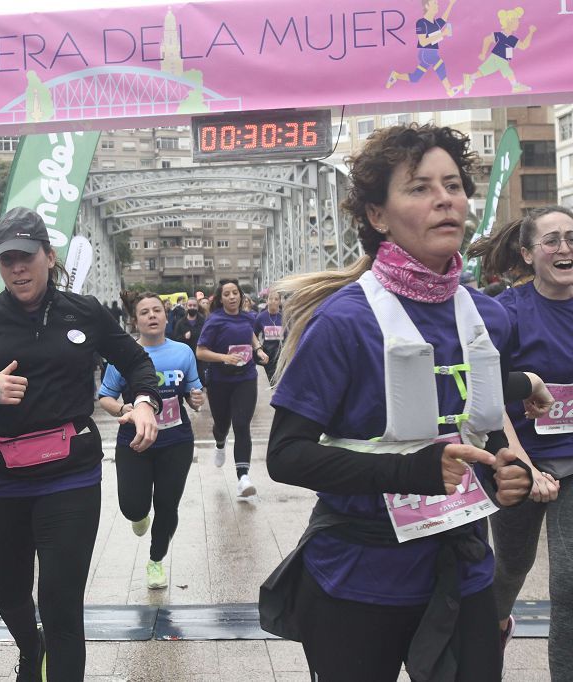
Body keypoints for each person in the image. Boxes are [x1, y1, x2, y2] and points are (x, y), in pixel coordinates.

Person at [260, 123, 534, 681]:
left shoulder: (490, 315)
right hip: (361, 574)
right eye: (419, 188)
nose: (444, 199)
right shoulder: (345, 322)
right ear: (378, 216)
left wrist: (509, 471)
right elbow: (285, 455)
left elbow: (482, 425)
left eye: (453, 185)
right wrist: (412, 469)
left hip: (463, 566)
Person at [0, 206, 160, 682]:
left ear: (49, 257)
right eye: (7, 260)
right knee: (12, 597)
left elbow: (137, 362)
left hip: (69, 477)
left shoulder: (85, 312)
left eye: (26, 257)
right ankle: (28, 646)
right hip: (0, 480)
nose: (17, 268)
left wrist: (143, 403)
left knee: (60, 602)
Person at [468, 206, 572, 676]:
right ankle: (494, 625)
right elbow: (488, 396)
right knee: (510, 568)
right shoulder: (506, 311)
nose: (565, 249)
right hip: (516, 457)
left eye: (571, 238)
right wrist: (525, 467)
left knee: (569, 582)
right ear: (528, 254)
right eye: (552, 241)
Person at [99, 291, 204, 589]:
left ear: (166, 314)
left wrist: (198, 399)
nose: (152, 316)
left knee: (168, 505)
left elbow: (194, 394)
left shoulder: (183, 353)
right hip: (135, 441)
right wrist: (125, 409)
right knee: (133, 507)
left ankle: (156, 561)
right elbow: (105, 396)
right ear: (135, 320)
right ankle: (138, 514)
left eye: (157, 310)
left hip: (176, 440)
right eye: (144, 312)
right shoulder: (125, 355)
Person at [195, 279, 267, 495]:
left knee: (242, 424)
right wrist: (224, 357)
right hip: (220, 381)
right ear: (221, 298)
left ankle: (243, 477)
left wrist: (259, 349)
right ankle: (219, 442)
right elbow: (200, 351)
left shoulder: (248, 317)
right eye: (227, 294)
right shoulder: (215, 320)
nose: (232, 297)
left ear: (241, 295)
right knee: (222, 424)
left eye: (235, 293)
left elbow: (250, 334)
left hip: (245, 378)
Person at [385, 0, 462, 98]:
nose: (437, 5)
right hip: (426, 53)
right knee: (440, 65)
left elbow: (444, 18)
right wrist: (442, 33)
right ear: (427, 6)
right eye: (434, 3)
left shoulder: (435, 23)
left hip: (431, 53)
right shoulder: (421, 23)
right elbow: (423, 42)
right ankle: (449, 90)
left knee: (415, 77)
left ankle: (396, 76)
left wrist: (451, 4)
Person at [463, 8, 536, 94]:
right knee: (506, 69)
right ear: (509, 22)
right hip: (499, 57)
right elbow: (487, 39)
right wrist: (483, 53)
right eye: (516, 21)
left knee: (484, 71)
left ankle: (470, 78)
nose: (518, 23)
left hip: (497, 58)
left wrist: (531, 33)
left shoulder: (512, 39)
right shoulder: (501, 35)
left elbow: (524, 46)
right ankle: (515, 85)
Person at [172, 296, 206, 386]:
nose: (192, 308)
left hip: (201, 357)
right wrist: (184, 337)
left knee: (202, 383)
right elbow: (175, 339)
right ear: (186, 306)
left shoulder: (203, 321)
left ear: (198, 307)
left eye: (194, 306)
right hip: (186, 357)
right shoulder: (180, 323)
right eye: (190, 305)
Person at [253, 291, 284, 387]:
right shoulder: (261, 317)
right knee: (272, 383)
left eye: (276, 299)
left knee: (281, 383)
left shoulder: (285, 316)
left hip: (282, 355)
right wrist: (259, 349)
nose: (273, 301)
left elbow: (290, 335)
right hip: (268, 355)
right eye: (270, 299)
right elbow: (254, 335)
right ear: (267, 301)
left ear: (280, 301)